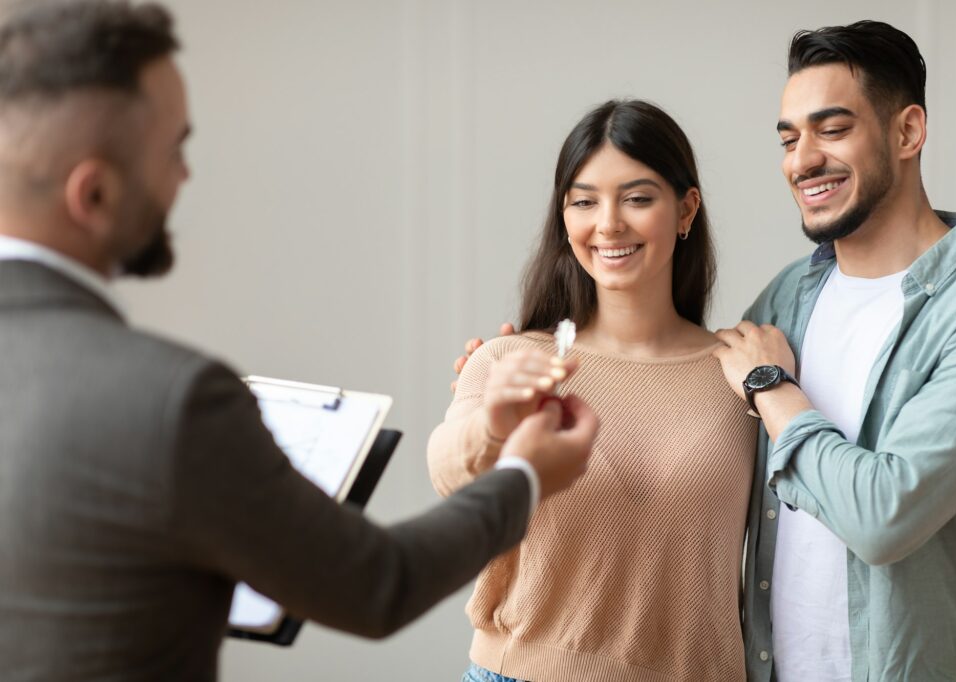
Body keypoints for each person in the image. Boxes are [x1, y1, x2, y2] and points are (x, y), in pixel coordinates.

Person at [0, 2, 597, 680]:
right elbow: (379, 583)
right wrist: (523, 475)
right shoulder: (172, 401)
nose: (185, 178)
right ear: (95, 193)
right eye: (175, 150)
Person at [712, 20, 956, 681]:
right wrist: (522, 366)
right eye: (789, 139)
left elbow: (884, 515)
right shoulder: (783, 301)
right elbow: (687, 448)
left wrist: (773, 386)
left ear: (907, 132)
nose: (801, 161)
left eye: (832, 129)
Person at [428, 100, 757, 681]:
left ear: (686, 210)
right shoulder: (512, 361)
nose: (608, 223)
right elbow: (450, 473)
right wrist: (496, 424)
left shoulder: (739, 377)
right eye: (584, 201)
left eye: (636, 197)